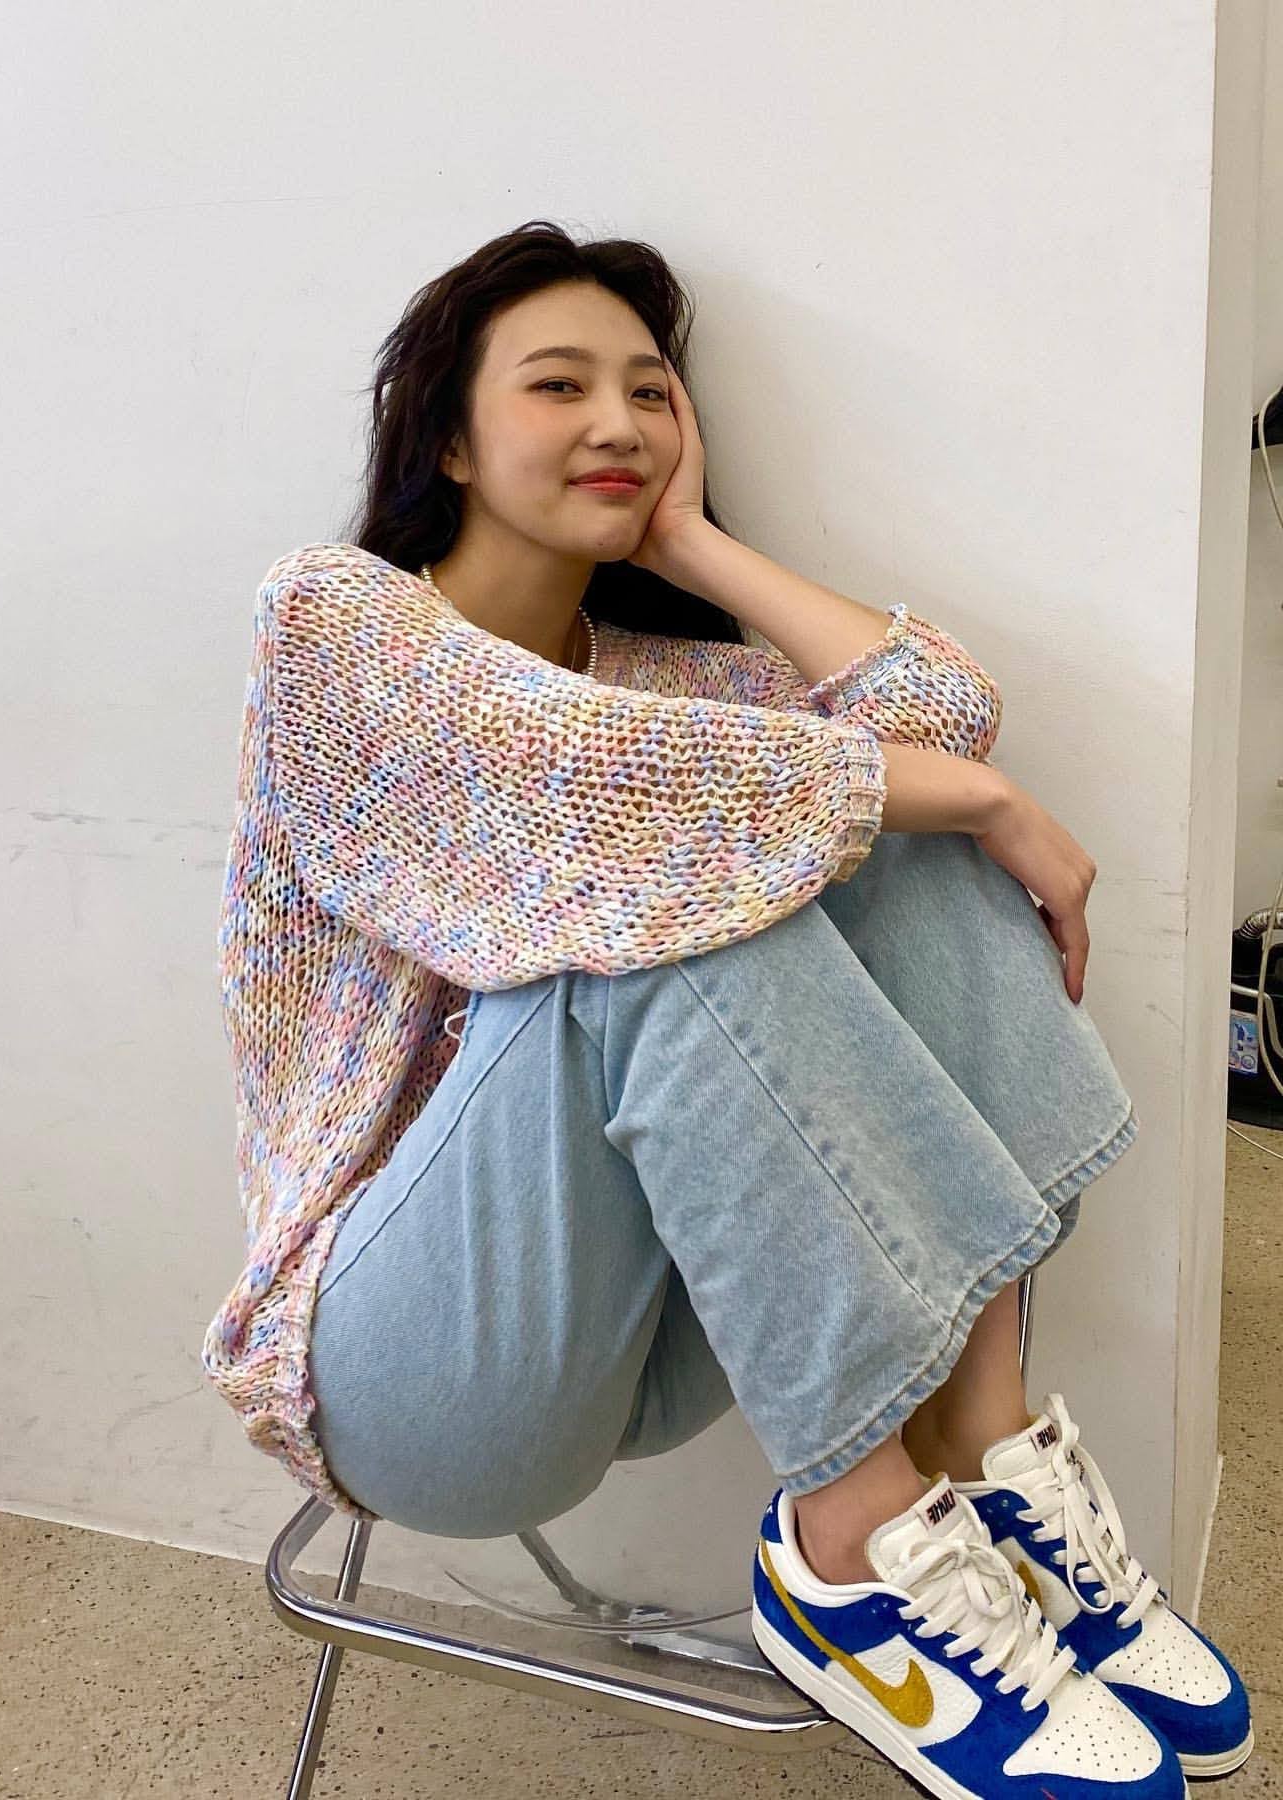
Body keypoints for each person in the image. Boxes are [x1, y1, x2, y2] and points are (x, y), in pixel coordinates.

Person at [219, 220, 1251, 1796]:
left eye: (650, 392)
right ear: (448, 436)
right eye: (558, 385)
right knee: (683, 881)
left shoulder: (665, 681)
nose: (618, 423)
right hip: (404, 1362)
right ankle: (849, 1545)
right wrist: (974, 801)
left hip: (637, 1327)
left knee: (880, 835)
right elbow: (588, 782)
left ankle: (984, 1450)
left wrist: (693, 548)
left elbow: (940, 717)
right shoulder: (334, 625)